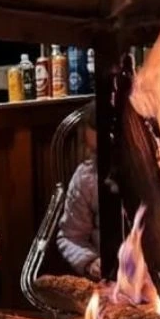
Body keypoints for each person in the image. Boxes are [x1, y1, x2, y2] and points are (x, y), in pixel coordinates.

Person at [56, 101, 103, 279]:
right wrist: (90, 262)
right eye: (94, 152)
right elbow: (70, 237)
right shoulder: (86, 178)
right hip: (111, 283)